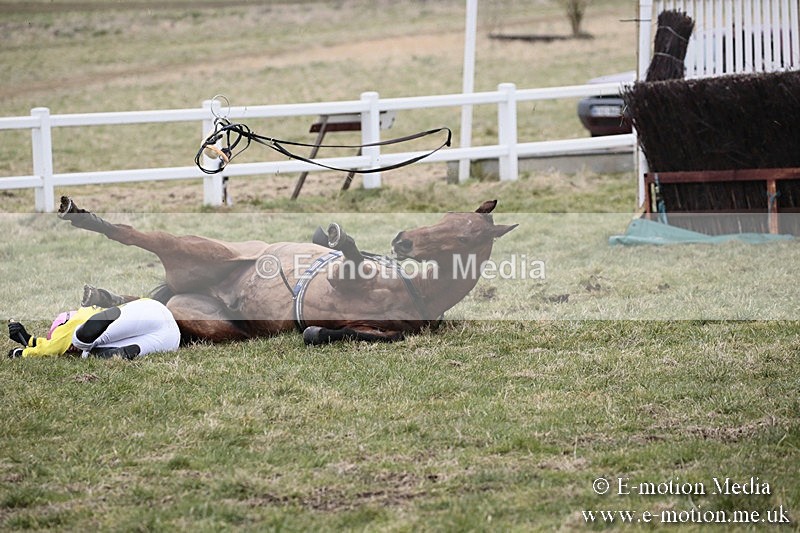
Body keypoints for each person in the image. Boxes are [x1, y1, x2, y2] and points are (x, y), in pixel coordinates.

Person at [7, 298, 180, 360]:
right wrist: (28, 339)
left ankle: (83, 340)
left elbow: (54, 347)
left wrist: (21, 354)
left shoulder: (78, 318)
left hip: (152, 317)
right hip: (171, 338)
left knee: (79, 341)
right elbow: (52, 344)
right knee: (92, 350)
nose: (68, 350)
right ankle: (103, 354)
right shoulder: (85, 315)